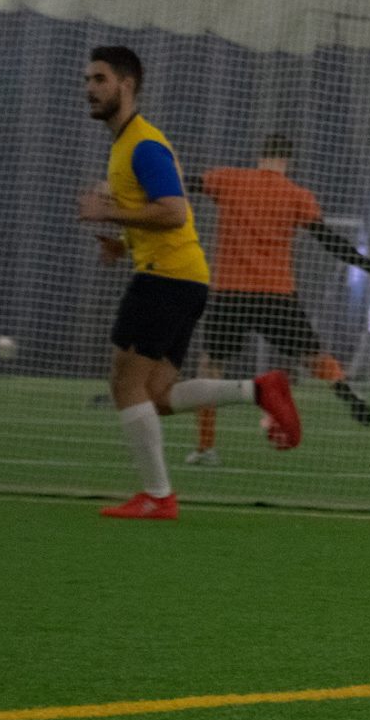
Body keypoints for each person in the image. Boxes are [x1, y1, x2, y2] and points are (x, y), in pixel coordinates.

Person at [76, 46, 299, 519]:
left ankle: (158, 497)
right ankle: (259, 390)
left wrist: (109, 213)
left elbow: (175, 212)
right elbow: (162, 216)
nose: (90, 89)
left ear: (126, 85)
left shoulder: (143, 144)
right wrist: (123, 243)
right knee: (156, 395)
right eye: (88, 80)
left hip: (165, 278)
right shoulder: (127, 144)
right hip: (182, 277)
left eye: (99, 79)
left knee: (124, 384)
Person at [184, 133, 370, 465]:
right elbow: (329, 241)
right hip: (277, 295)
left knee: (210, 367)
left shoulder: (229, 179)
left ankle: (206, 447)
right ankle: (344, 389)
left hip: (230, 293)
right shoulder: (297, 195)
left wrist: (144, 180)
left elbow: (186, 183)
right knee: (315, 356)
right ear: (288, 160)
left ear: (261, 155)